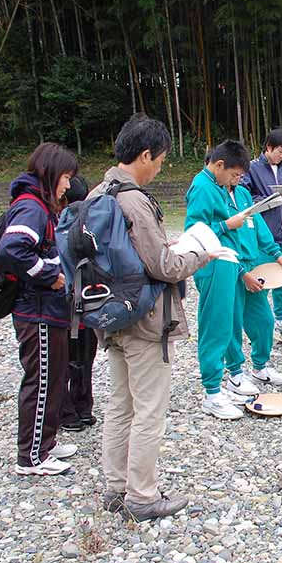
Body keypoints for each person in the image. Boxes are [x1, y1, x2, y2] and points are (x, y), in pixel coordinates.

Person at [94, 114, 219, 521]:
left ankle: (116, 488)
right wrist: (199, 255)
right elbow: (164, 267)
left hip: (111, 316)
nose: (161, 167)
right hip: (147, 321)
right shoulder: (133, 200)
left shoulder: (100, 191)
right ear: (145, 154)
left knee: (120, 404)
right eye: (161, 159)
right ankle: (143, 496)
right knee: (148, 409)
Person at [186, 139, 282, 420]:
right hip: (215, 266)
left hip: (234, 264)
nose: (236, 180)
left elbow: (252, 229)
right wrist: (225, 225)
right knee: (217, 327)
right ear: (220, 165)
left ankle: (235, 377)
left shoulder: (225, 188)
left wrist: (274, 255)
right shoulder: (203, 186)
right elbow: (193, 230)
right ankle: (213, 390)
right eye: (234, 175)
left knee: (239, 323)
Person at [0, 143, 79, 475]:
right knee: (42, 379)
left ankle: (46, 442)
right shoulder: (31, 207)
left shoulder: (43, 206)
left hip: (49, 310)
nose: (68, 186)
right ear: (50, 174)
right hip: (38, 311)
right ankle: (30, 456)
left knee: (55, 376)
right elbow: (11, 250)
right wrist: (50, 276)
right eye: (65, 177)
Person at [242, 127, 282, 335]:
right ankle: (262, 320)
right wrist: (266, 200)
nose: (281, 156)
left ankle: (281, 316)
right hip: (263, 231)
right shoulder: (252, 168)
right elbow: (243, 196)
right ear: (268, 147)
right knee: (263, 276)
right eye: (279, 151)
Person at [59, 174, 98, 433]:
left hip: (64, 307)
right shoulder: (90, 223)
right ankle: (84, 408)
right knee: (86, 360)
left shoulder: (58, 225)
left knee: (64, 361)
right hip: (89, 305)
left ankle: (67, 412)